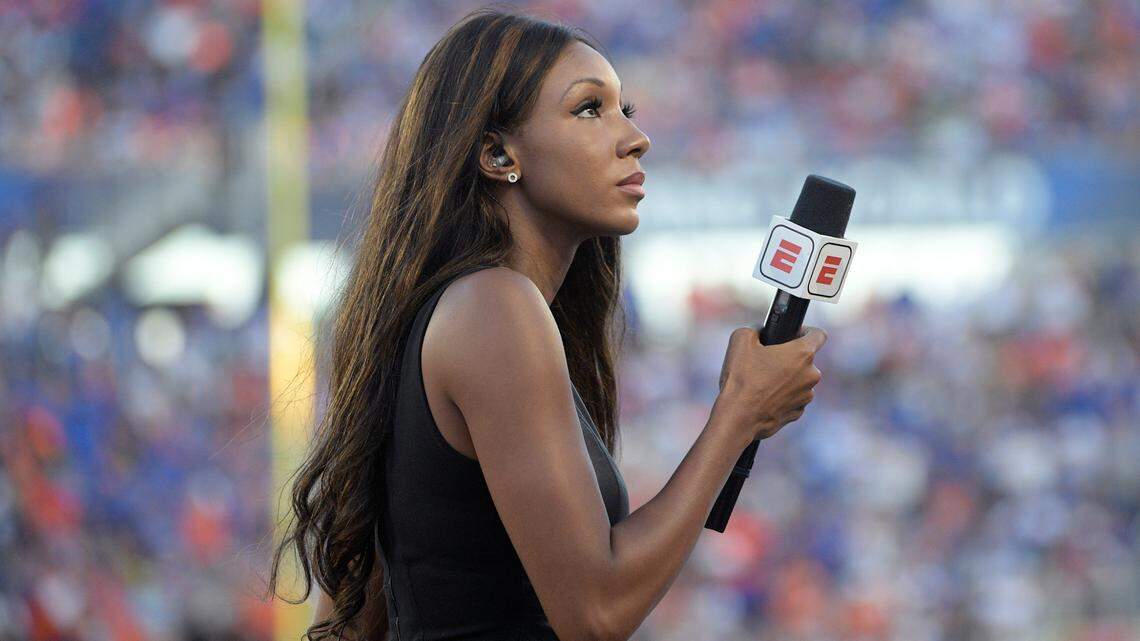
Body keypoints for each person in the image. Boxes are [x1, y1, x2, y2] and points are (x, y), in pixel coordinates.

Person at [266, 6, 826, 641]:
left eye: (627, 110)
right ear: (498, 152)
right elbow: (596, 612)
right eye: (589, 109)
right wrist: (739, 413)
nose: (634, 138)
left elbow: (352, 617)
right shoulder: (494, 308)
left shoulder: (458, 312)